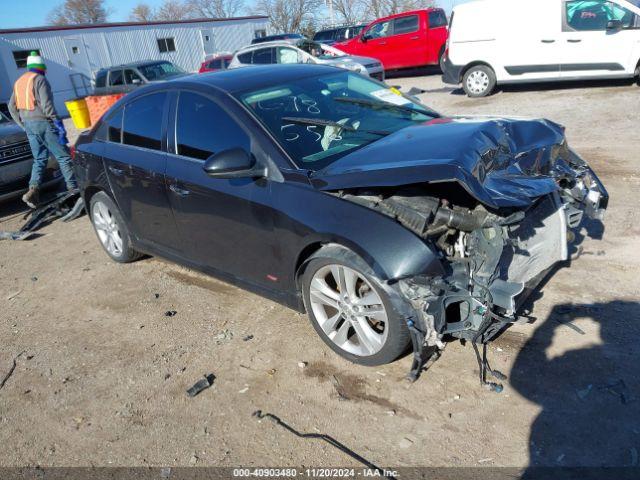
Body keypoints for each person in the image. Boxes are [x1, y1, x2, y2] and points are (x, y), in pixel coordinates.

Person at [8, 51, 76, 208]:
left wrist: (22, 124)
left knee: (39, 159)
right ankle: (73, 189)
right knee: (63, 156)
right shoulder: (40, 79)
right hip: (43, 122)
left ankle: (33, 190)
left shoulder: (19, 81)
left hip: (29, 125)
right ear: (40, 66)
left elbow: (11, 106)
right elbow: (47, 105)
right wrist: (57, 123)